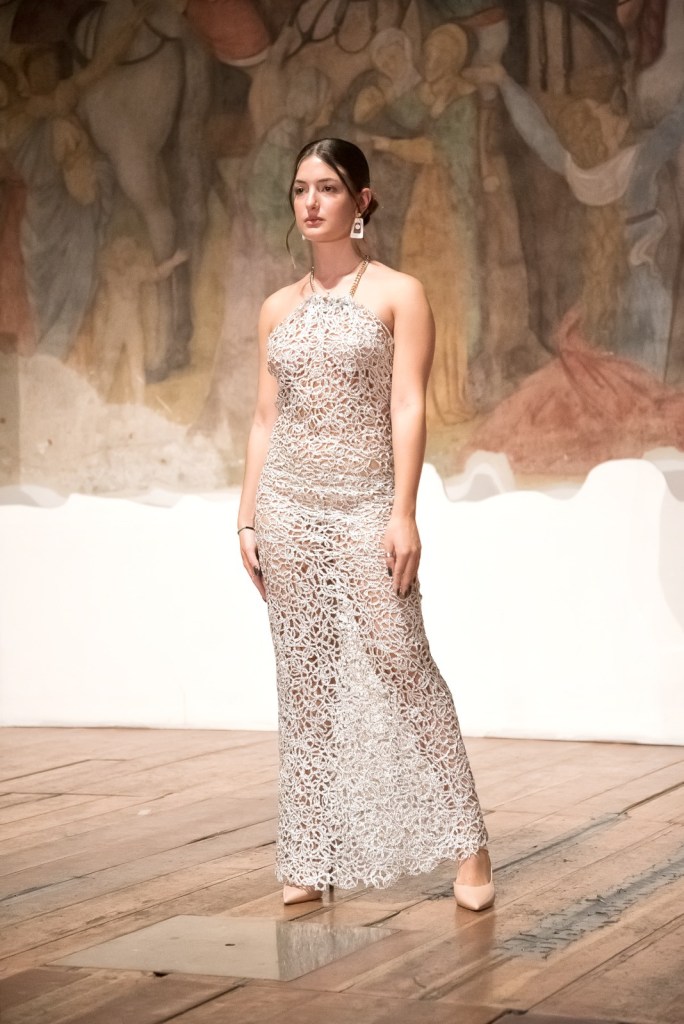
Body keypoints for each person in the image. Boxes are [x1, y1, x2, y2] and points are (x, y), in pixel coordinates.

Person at [237, 138, 493, 911]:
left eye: (327, 188)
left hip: (365, 504)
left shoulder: (398, 294)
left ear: (362, 201)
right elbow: (264, 417)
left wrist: (403, 512)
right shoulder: (276, 308)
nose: (311, 202)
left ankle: (470, 848)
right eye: (299, 189)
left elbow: (408, 405)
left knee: (403, 661)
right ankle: (309, 855)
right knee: (305, 681)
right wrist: (247, 518)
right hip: (287, 508)